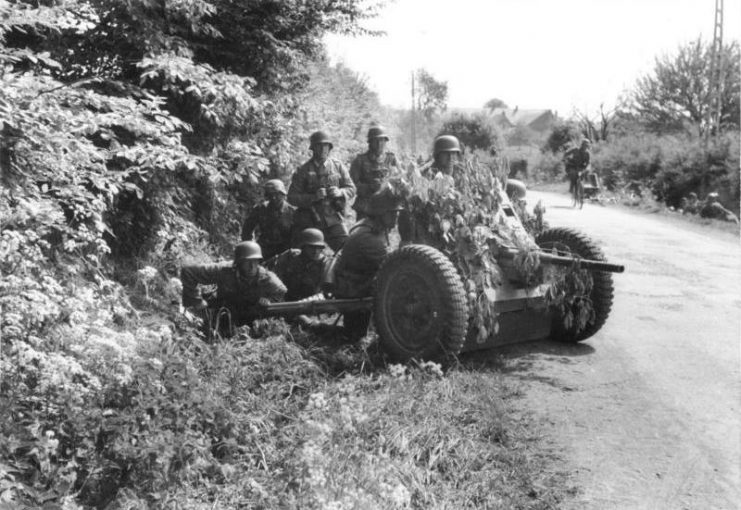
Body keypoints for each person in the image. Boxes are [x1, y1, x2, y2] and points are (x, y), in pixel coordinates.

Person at [333, 185, 404, 341]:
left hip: (359, 282)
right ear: (381, 214)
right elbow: (393, 264)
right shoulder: (368, 237)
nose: (396, 218)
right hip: (353, 288)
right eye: (393, 213)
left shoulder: (374, 226)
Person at [181, 241, 286, 338]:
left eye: (255, 261)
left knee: (260, 329)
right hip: (224, 310)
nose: (252, 266)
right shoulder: (224, 270)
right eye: (247, 262)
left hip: (251, 315)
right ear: (239, 262)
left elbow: (281, 291)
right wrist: (196, 300)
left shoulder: (266, 277)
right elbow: (189, 271)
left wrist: (269, 300)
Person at [288, 130, 356, 252]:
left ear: (330, 148)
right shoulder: (303, 170)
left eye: (326, 145)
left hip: (332, 218)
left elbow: (351, 188)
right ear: (313, 148)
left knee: (347, 251)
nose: (323, 149)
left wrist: (340, 192)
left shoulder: (338, 166)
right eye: (319, 145)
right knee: (298, 254)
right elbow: (292, 197)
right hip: (308, 220)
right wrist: (313, 197)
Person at [266, 228, 331, 301]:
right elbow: (269, 274)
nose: (315, 251)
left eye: (319, 247)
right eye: (311, 247)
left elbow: (327, 292)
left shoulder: (326, 264)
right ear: (303, 247)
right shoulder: (290, 257)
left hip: (312, 304)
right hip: (285, 301)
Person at [349, 125, 399, 219]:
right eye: (376, 140)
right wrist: (370, 187)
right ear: (370, 142)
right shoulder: (360, 160)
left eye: (382, 140)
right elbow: (351, 185)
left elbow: (400, 179)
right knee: (363, 232)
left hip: (386, 207)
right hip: (366, 206)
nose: (379, 143)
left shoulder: (391, 159)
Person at [241, 179, 296, 260]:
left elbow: (297, 236)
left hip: (285, 251)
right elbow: (247, 228)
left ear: (283, 194)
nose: (274, 198)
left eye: (277, 194)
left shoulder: (292, 212)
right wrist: (251, 246)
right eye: (270, 195)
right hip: (264, 248)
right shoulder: (260, 209)